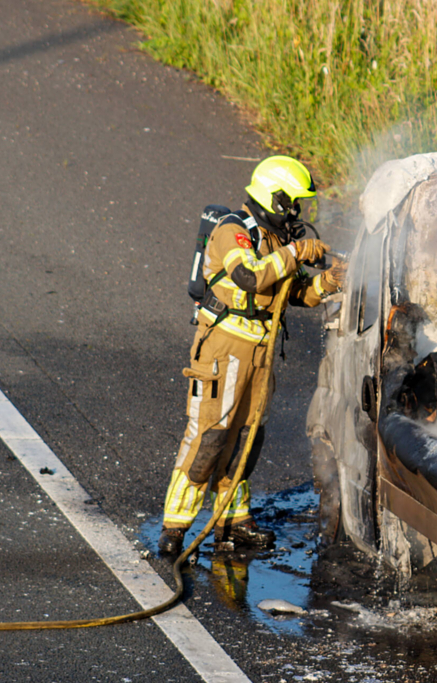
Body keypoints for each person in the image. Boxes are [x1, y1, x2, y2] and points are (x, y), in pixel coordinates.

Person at [158, 156, 344, 555]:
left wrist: (327, 282)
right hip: (224, 349)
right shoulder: (233, 231)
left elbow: (289, 294)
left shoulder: (275, 240)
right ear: (275, 198)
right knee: (210, 436)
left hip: (260, 351)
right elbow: (250, 276)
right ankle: (175, 528)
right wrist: (296, 251)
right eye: (294, 203)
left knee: (246, 438)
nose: (298, 212)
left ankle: (233, 520)